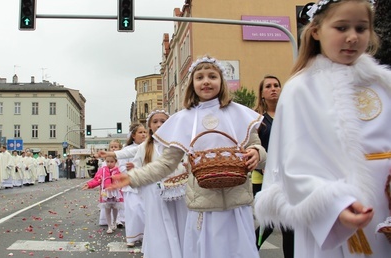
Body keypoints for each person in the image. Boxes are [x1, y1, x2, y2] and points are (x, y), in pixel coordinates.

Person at [254, 1, 391, 257]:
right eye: (341, 27)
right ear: (316, 31)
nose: (352, 37)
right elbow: (294, 165)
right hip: (339, 215)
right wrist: (335, 205)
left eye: (361, 29)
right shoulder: (301, 89)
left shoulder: (384, 83)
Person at [109, 55, 266, 258]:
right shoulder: (184, 119)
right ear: (192, 84)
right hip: (203, 207)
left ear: (222, 81)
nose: (206, 81)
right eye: (200, 77)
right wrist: (133, 177)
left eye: (212, 76)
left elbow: (257, 147)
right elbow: (165, 164)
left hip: (237, 204)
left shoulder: (238, 113)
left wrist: (256, 153)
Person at [131, 109, 188, 258]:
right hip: (153, 190)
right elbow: (138, 165)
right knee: (158, 224)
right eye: (155, 122)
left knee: (179, 220)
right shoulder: (145, 147)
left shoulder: (177, 143)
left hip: (177, 189)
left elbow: (185, 162)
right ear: (150, 126)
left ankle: (181, 251)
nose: (159, 124)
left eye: (163, 121)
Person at [252, 75, 294, 257]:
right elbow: (253, 147)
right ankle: (250, 249)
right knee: (268, 222)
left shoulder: (291, 115)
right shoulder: (257, 121)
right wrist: (262, 165)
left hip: (289, 176)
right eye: (268, 86)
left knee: (288, 224)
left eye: (276, 85)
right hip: (263, 177)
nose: (273, 88)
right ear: (262, 93)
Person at [98, 123, 148, 247]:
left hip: (146, 183)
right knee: (133, 210)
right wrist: (128, 170)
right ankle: (132, 237)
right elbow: (120, 166)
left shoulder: (149, 147)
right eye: (140, 132)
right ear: (134, 135)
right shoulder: (127, 149)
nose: (143, 134)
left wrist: (138, 167)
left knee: (145, 211)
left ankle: (145, 236)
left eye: (144, 132)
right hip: (130, 185)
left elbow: (154, 164)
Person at [82, 156, 124, 234]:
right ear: (105, 161)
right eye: (107, 161)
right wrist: (89, 185)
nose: (109, 163)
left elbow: (123, 180)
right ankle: (109, 225)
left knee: (115, 208)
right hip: (106, 193)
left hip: (115, 193)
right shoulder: (102, 170)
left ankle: (114, 222)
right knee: (107, 210)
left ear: (115, 162)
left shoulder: (118, 170)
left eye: (112, 162)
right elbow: (97, 180)